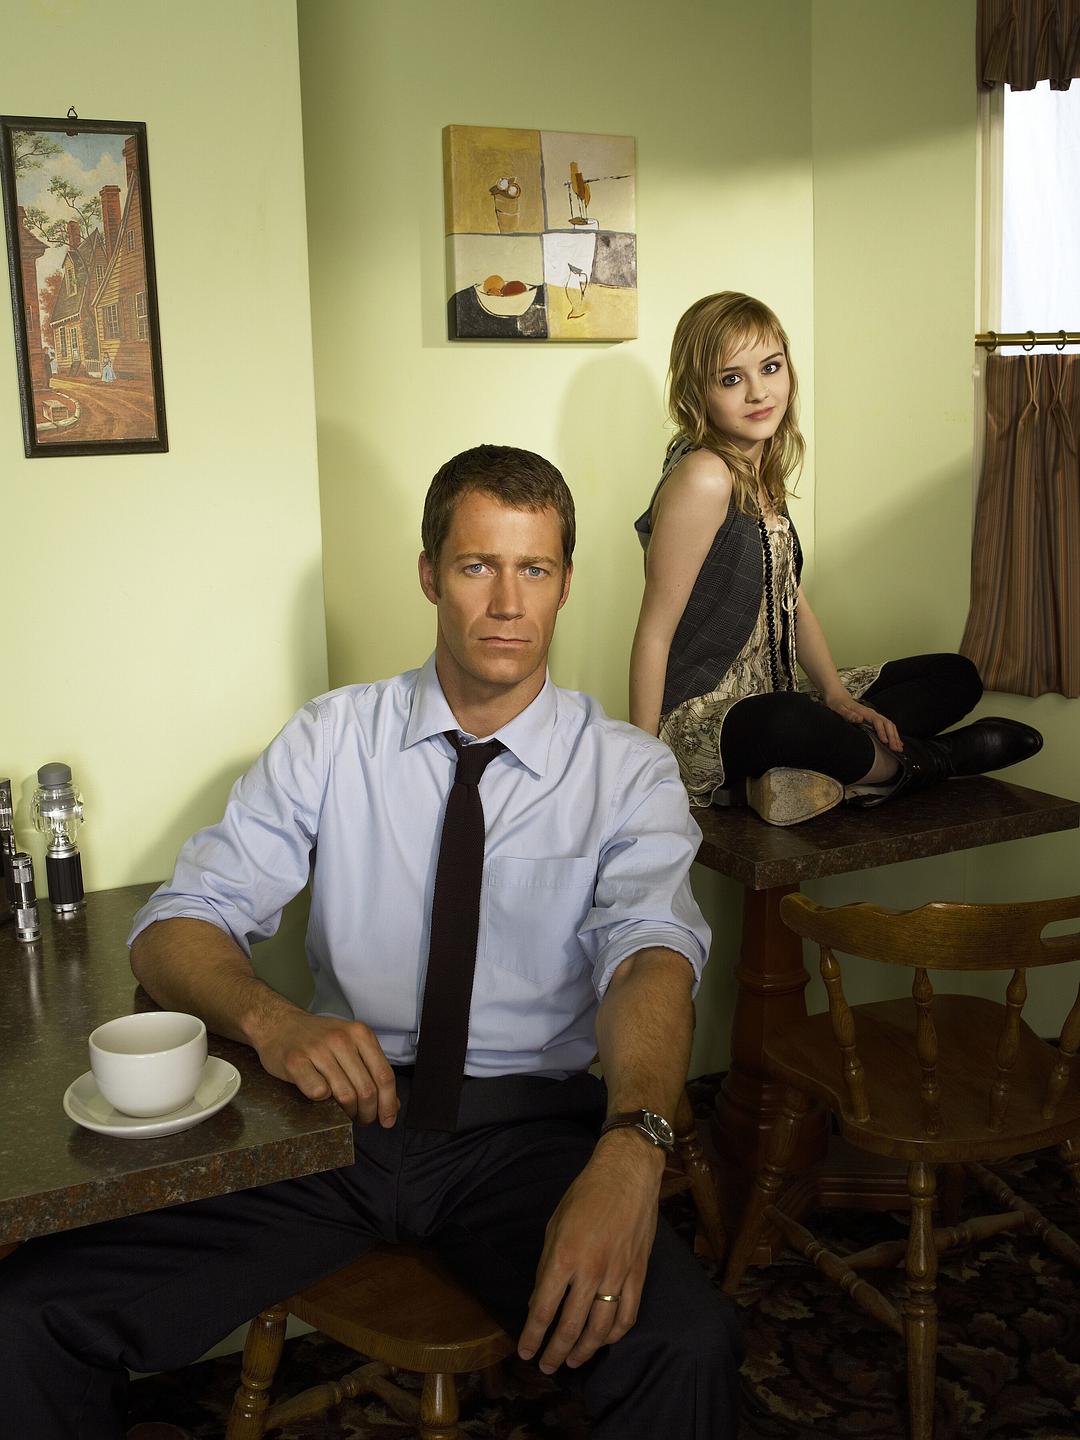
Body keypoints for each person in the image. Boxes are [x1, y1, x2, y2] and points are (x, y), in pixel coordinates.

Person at [0, 445, 739, 1440]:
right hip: (332, 1125)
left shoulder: (627, 773)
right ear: (430, 575)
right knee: (27, 1315)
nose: (507, 602)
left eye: (534, 569)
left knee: (687, 1346)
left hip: (524, 1137)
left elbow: (652, 957)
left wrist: (635, 1148)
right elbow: (173, 928)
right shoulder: (331, 738)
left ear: (567, 583)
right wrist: (274, 1022)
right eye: (477, 566)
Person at [629, 292, 1042, 825]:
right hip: (708, 717)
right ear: (697, 392)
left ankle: (798, 779)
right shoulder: (705, 476)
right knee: (789, 721)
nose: (759, 392)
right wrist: (643, 765)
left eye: (770, 368)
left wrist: (836, 694)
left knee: (955, 676)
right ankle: (931, 762)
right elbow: (654, 632)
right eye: (731, 379)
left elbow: (792, 601)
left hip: (776, 687)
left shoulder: (758, 467)